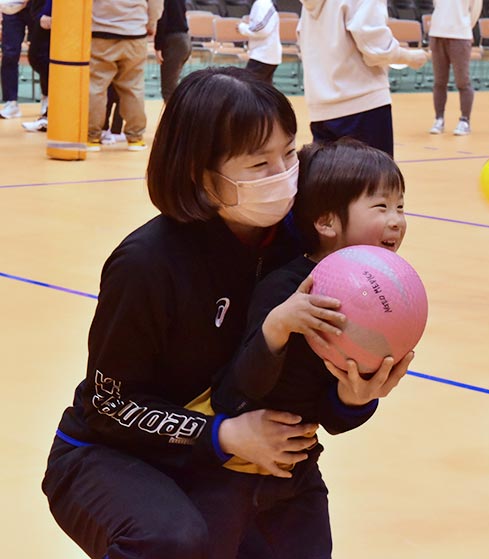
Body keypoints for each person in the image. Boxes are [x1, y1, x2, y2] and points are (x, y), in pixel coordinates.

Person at [41, 67, 323, 559]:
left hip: (227, 453)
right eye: (259, 164)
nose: (282, 174)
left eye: (288, 153)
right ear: (200, 174)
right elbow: (110, 405)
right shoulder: (147, 263)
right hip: (108, 453)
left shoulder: (294, 248)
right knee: (170, 540)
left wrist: (359, 392)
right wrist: (223, 433)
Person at [182, 139, 414, 558]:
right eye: (380, 208)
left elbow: (333, 417)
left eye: (401, 207)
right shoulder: (287, 287)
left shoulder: (378, 300)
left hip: (297, 474)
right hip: (230, 475)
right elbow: (237, 391)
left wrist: (355, 397)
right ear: (326, 222)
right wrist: (277, 327)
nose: (396, 221)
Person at [298, 0, 429, 156]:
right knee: (374, 178)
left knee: (331, 178)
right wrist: (409, 57)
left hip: (321, 108)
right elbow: (375, 46)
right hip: (362, 103)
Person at [86, 0, 163, 152]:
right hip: (135, 33)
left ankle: (92, 137)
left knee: (96, 86)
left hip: (100, 32)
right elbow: (156, 4)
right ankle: (135, 138)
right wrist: (151, 24)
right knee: (133, 87)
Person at [427, 0, 482, 136]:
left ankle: (465, 120)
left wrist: (465, 27)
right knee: (439, 81)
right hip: (437, 33)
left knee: (462, 81)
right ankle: (438, 119)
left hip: (460, 35)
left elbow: (475, 9)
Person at [1, 0, 49, 121]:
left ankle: (46, 98)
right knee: (9, 54)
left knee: (40, 53)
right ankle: (11, 102)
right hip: (12, 7)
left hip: (37, 4)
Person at [19, 0, 51, 132]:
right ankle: (48, 108)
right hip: (43, 10)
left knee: (48, 61)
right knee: (38, 57)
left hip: (61, 12)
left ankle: (49, 114)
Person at [154, 0, 191, 102]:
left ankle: (178, 117)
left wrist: (158, 46)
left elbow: (161, 19)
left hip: (173, 41)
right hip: (184, 39)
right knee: (173, 88)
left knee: (169, 90)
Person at [238, 0, 281, 86]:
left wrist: (242, 27)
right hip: (264, 54)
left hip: (263, 55)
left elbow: (262, 30)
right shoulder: (262, 3)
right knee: (263, 91)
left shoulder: (262, 4)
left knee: (248, 88)